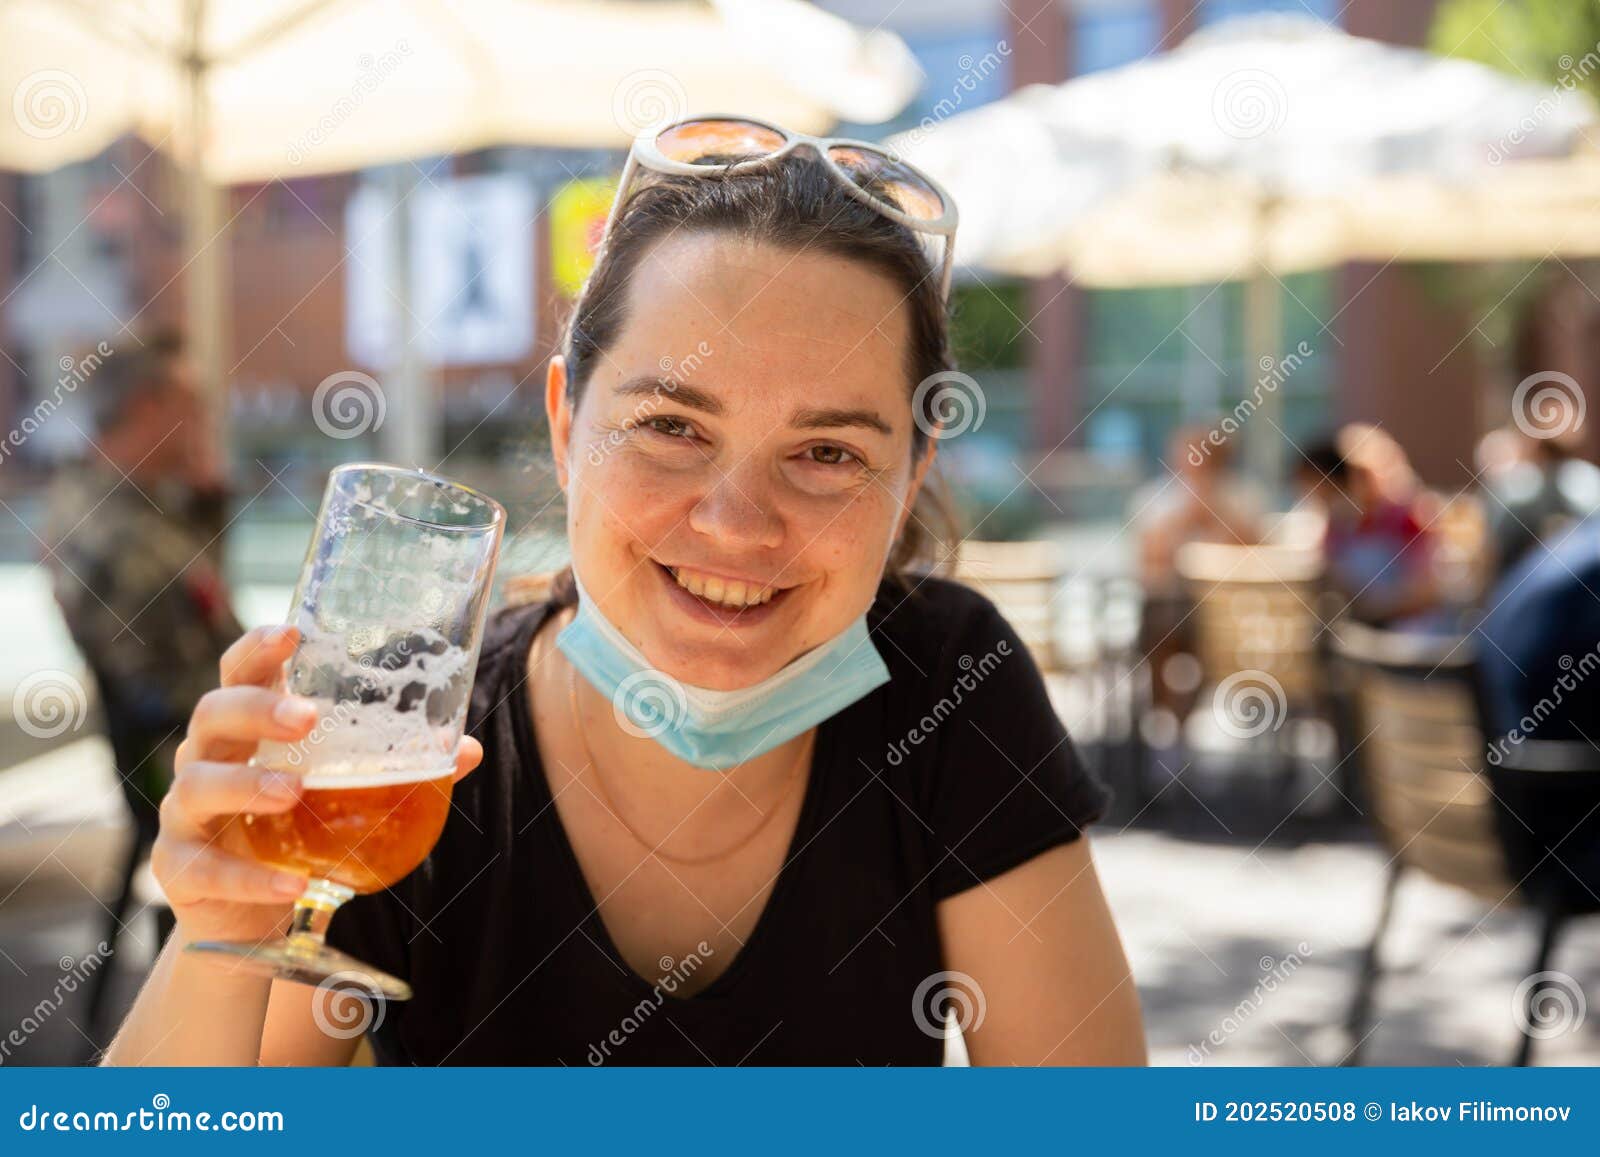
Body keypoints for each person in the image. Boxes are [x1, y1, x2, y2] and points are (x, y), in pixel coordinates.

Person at [106, 119, 1145, 1066]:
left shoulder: (947, 686)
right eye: (672, 427)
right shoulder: (404, 737)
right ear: (566, 426)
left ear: (910, 479)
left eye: (827, 451)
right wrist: (222, 928)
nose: (736, 523)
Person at [41, 328, 242, 1036]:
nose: (205, 424)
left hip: (181, 741)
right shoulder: (113, 530)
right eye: (195, 407)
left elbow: (206, 629)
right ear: (152, 408)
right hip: (166, 765)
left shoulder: (133, 506)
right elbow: (174, 683)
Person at [1293, 435, 1440, 628]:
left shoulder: (1408, 519)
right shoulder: (1339, 527)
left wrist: (1381, 606)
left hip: (1411, 632)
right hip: (1364, 633)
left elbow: (1429, 590)